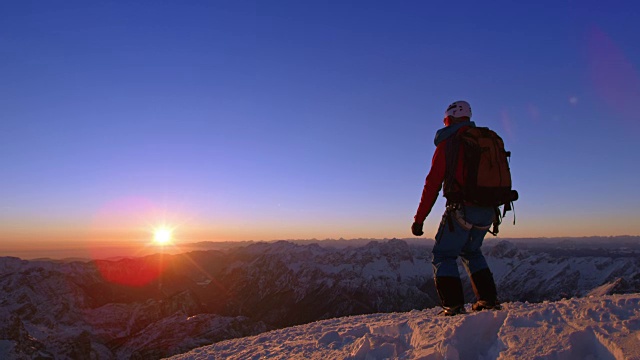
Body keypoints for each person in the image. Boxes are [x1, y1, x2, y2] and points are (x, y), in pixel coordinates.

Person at [412, 100, 501, 316]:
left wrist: (419, 219)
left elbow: (432, 184)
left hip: (462, 209)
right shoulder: (486, 141)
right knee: (471, 251)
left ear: (449, 118)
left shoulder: (449, 144)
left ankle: (453, 306)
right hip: (489, 210)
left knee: (443, 254)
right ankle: (487, 301)